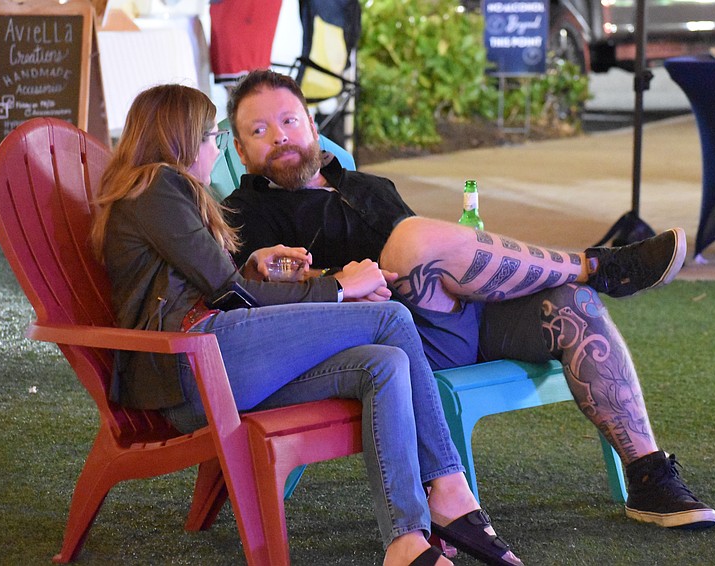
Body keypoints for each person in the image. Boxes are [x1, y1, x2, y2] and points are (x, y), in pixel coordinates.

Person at [222, 69, 715, 530]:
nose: (281, 136)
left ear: (311, 124)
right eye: (260, 131)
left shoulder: (369, 186)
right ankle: (601, 266)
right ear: (241, 153)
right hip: (399, 343)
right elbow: (253, 298)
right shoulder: (244, 213)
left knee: (572, 305)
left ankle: (651, 477)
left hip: (466, 315)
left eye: (288, 120)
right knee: (414, 241)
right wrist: (335, 278)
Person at [90, 83, 524, 566]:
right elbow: (226, 294)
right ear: (180, 139)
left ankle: (406, 541)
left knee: (383, 364)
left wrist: (254, 265)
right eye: (210, 135)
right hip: (193, 359)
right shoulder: (158, 184)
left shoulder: (159, 192)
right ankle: (449, 489)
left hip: (212, 362)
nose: (214, 146)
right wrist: (340, 285)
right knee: (388, 316)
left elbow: (224, 282)